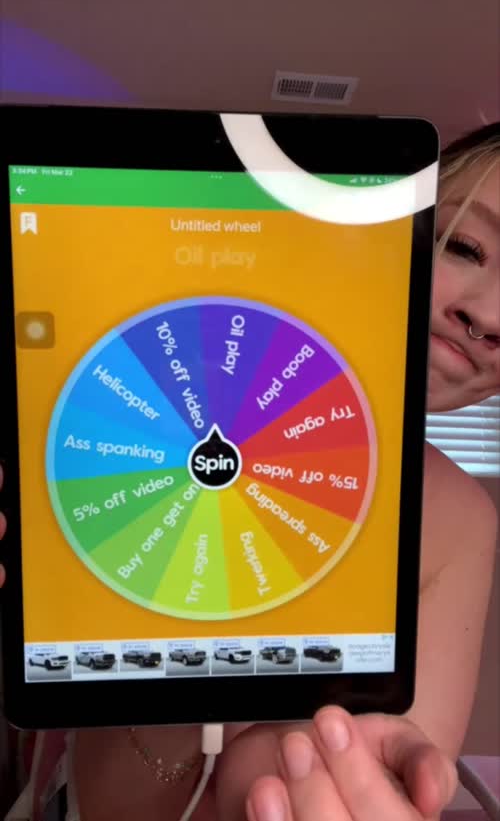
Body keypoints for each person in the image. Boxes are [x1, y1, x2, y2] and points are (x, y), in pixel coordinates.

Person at [1, 122, 499, 821]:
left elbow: (339, 764)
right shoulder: (129, 403)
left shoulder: (462, 518)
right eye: (466, 247)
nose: (489, 315)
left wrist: (296, 769)